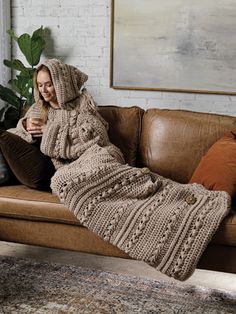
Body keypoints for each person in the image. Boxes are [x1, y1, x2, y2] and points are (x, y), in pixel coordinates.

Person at [4, 58, 231, 281]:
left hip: (99, 156)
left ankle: (184, 199)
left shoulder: (82, 103)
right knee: (63, 182)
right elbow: (15, 138)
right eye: (40, 85)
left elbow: (95, 138)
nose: (44, 90)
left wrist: (51, 131)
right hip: (69, 168)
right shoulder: (38, 110)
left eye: (49, 84)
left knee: (129, 183)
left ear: (60, 83)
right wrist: (24, 126)